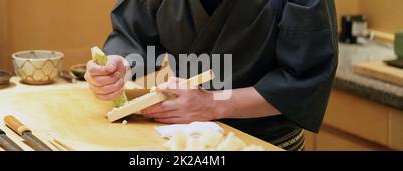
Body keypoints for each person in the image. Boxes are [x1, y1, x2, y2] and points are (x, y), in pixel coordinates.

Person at [85, 0, 338, 151]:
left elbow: (304, 79)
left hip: (264, 142)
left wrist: (212, 104)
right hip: (189, 142)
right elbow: (131, 33)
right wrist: (118, 66)